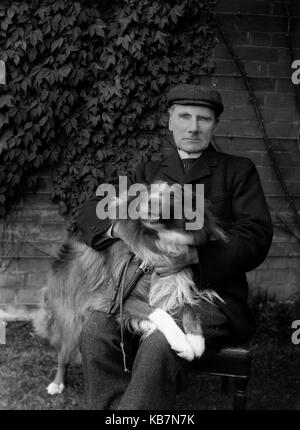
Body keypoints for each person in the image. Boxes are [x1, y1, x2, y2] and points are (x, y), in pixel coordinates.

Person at [75, 84, 273, 410]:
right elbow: (90, 211)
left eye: (203, 119)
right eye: (184, 116)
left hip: (207, 294)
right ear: (170, 121)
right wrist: (120, 230)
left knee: (158, 344)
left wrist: (195, 254)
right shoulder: (146, 172)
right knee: (96, 331)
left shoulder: (238, 171)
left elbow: (256, 236)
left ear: (214, 124)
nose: (193, 126)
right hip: (141, 294)